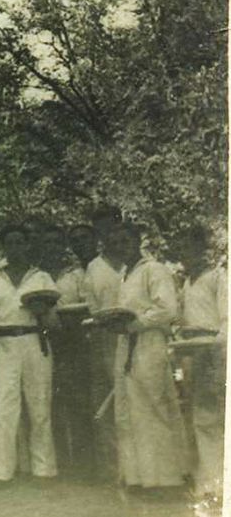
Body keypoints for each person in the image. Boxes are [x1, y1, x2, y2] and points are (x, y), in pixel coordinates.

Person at [111, 222, 187, 496]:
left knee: (153, 405)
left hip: (149, 342)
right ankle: (139, 478)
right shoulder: (125, 274)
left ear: (137, 241)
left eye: (124, 241)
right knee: (128, 410)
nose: (119, 247)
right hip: (127, 343)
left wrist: (137, 323)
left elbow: (167, 309)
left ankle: (166, 480)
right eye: (114, 242)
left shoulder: (154, 269)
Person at [0, 222, 59, 486]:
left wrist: (42, 310)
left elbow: (55, 320)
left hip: (34, 340)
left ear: (28, 245)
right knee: (2, 408)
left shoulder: (41, 277)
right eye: (10, 243)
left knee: (39, 406)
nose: (15, 248)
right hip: (4, 343)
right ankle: (2, 472)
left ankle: (44, 470)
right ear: (3, 247)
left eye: (20, 242)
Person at [175, 225, 226, 502]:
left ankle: (215, 483)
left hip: (210, 350)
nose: (189, 254)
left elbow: (225, 318)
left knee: (210, 416)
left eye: (195, 248)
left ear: (206, 250)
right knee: (191, 413)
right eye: (184, 249)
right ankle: (198, 477)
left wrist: (218, 350)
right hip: (188, 349)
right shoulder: (186, 282)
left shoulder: (218, 277)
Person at [39, 224, 94, 479]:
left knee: (77, 400)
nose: (50, 247)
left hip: (72, 341)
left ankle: (85, 463)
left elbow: (87, 306)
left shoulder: (76, 274)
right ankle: (59, 462)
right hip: (42, 342)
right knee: (48, 403)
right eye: (45, 242)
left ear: (63, 247)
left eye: (55, 242)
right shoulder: (36, 275)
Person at [83, 212, 125, 481]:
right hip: (104, 337)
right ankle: (111, 467)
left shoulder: (138, 263)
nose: (109, 236)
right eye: (103, 231)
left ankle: (137, 466)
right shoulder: (94, 267)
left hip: (134, 337)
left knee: (131, 397)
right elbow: (92, 306)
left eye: (113, 229)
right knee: (105, 400)